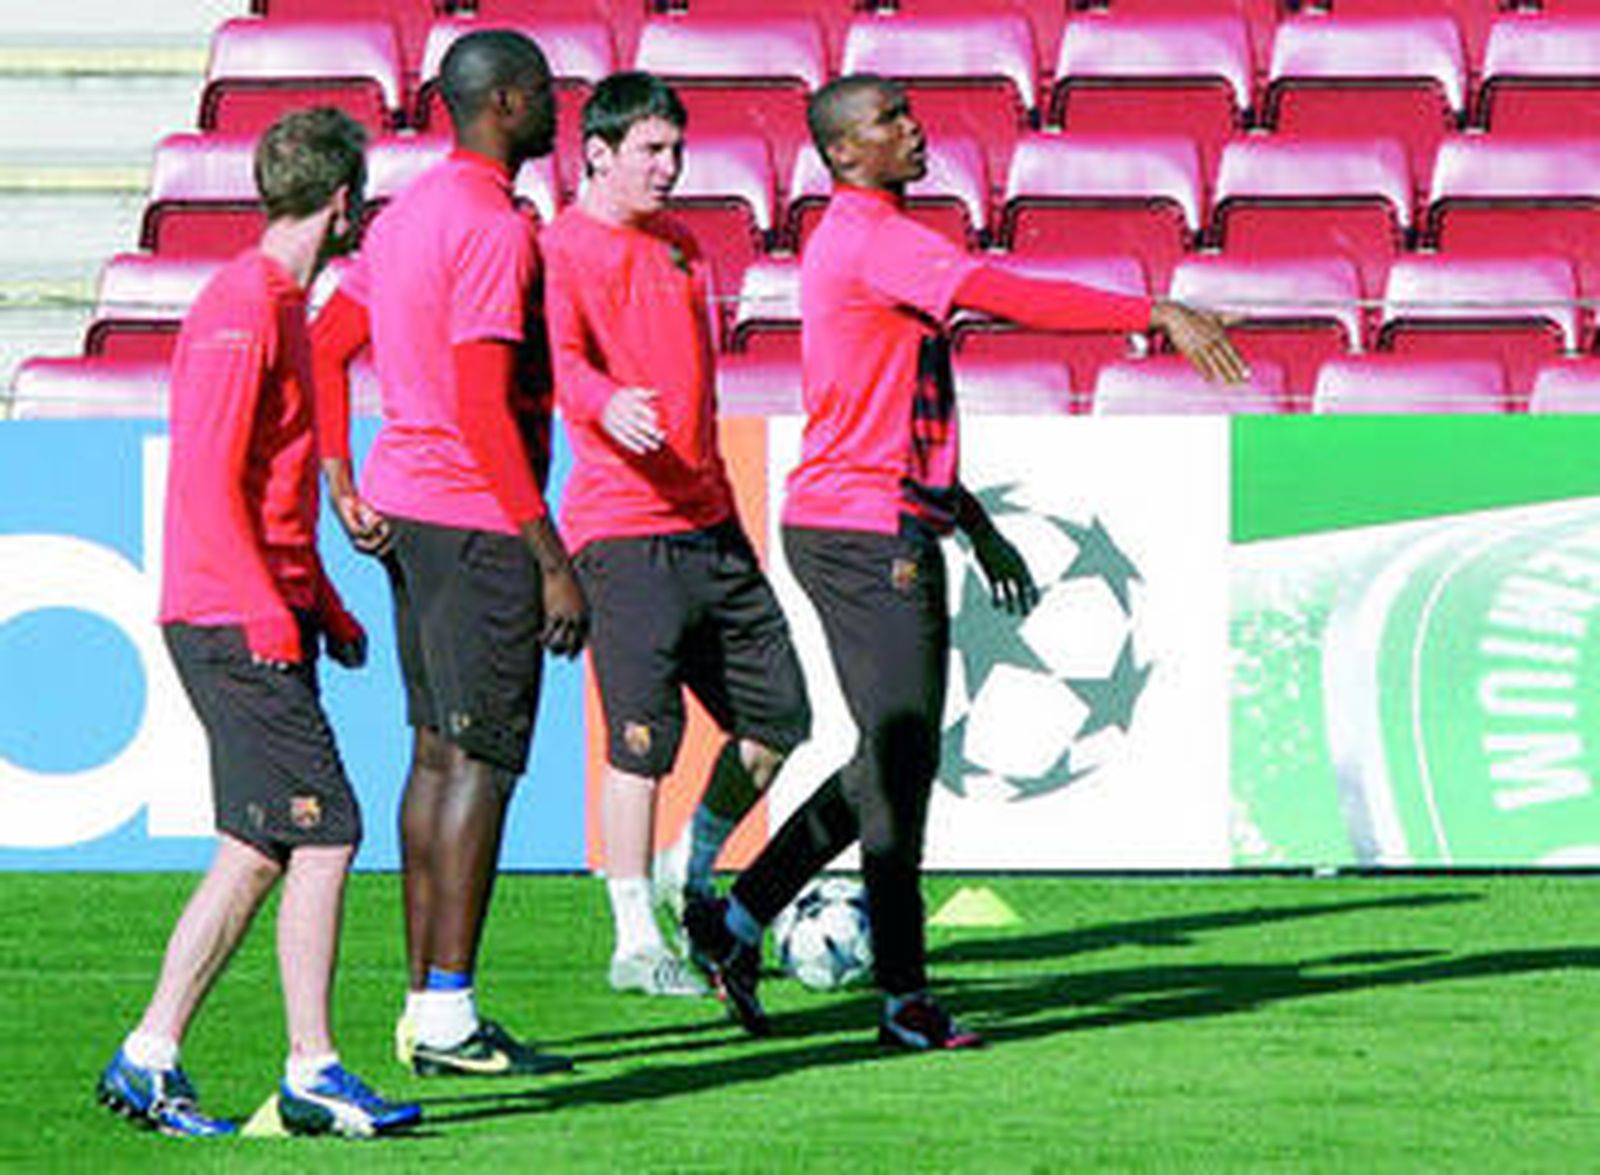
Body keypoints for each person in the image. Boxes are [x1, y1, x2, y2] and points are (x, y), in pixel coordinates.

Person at [685, 74, 1249, 1049]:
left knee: (890, 757)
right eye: (889, 120)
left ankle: (738, 923)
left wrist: (972, 522)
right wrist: (1153, 310)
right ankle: (900, 996)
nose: (914, 130)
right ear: (843, 153)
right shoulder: (876, 237)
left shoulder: (867, 238)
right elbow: (1003, 293)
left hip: (873, 520)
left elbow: (893, 413)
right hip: (868, 533)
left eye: (909, 112)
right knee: (899, 768)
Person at [96, 108, 420, 1139]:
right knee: (329, 829)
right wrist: (263, 611)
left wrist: (321, 601)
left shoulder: (276, 303)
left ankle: (149, 1054)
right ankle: (313, 1068)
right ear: (344, 203)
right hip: (230, 617)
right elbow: (206, 478)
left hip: (255, 607)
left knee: (257, 844)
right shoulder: (244, 306)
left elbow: (272, 488)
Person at [310, 29, 587, 1077]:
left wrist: (341, 477)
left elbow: (324, 347)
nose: (558, 107)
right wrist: (548, 552)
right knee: (482, 761)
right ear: (505, 102)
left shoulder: (409, 213)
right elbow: (481, 404)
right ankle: (448, 1015)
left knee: (434, 752)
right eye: (545, 91)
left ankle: (427, 1002)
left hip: (405, 510)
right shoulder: (492, 227)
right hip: (477, 522)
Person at [541, 72, 813, 998]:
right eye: (651, 150)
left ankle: (686, 869)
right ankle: (634, 939)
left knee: (779, 719)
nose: (670, 166)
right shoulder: (560, 248)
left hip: (711, 523)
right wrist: (601, 400)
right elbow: (557, 359)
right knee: (640, 741)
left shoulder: (684, 244)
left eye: (676, 149)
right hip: (621, 530)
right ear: (598, 154)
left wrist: (722, 506)